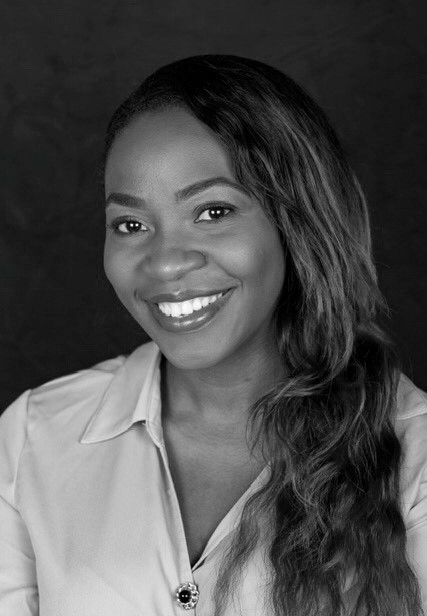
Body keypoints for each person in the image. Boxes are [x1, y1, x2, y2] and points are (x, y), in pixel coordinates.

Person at [0, 55, 426, 616]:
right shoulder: (34, 438)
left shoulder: (415, 454)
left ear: (297, 222)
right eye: (131, 225)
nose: (165, 262)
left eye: (213, 211)